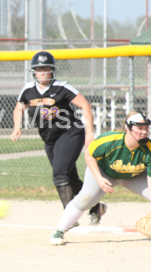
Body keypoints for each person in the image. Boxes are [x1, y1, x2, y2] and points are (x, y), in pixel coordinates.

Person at [50, 111, 151, 245]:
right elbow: (89, 154)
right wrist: (99, 178)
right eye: (139, 128)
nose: (144, 132)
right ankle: (59, 229)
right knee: (86, 198)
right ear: (128, 129)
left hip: (135, 176)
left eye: (146, 128)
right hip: (105, 173)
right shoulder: (110, 140)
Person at [11, 51, 105, 227]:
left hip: (70, 132)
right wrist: (17, 126)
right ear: (34, 72)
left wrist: (89, 132)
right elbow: (18, 108)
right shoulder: (28, 90)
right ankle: (96, 208)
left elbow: (85, 105)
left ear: (53, 70)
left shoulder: (61, 87)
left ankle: (70, 219)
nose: (43, 72)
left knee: (59, 174)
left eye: (47, 68)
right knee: (69, 177)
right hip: (49, 139)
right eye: (39, 69)